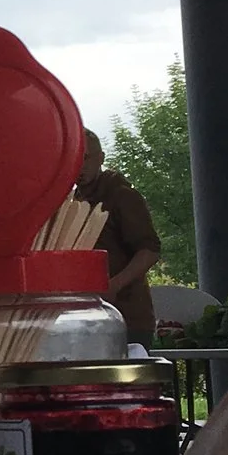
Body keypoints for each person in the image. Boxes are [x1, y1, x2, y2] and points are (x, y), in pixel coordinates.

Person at [72, 129, 162, 347]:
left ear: (101, 158)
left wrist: (114, 285)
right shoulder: (75, 200)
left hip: (127, 316)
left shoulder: (121, 194)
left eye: (85, 158)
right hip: (89, 317)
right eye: (73, 158)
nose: (80, 166)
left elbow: (150, 251)